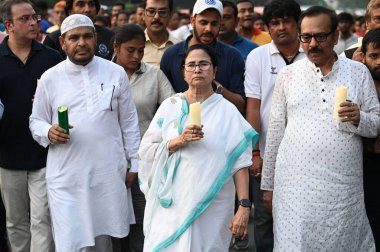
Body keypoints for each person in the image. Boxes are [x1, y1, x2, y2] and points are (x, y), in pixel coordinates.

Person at [261, 6, 379, 250]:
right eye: (306, 37)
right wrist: (268, 186)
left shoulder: (358, 72)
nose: (312, 44)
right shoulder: (288, 75)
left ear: (336, 36)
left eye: (320, 37)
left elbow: (376, 122)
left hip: (342, 191)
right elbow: (275, 132)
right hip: (294, 189)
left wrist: (359, 118)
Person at [29, 14, 140, 252]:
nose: (81, 43)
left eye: (87, 36)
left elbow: (129, 122)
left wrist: (135, 164)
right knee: (71, 240)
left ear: (96, 38)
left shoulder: (115, 73)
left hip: (107, 173)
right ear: (63, 43)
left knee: (102, 240)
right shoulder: (50, 78)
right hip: (67, 176)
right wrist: (49, 131)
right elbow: (35, 120)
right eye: (74, 37)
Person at [139, 43, 258, 252]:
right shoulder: (170, 106)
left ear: (214, 70)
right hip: (172, 203)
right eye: (191, 65)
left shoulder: (227, 111)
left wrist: (244, 206)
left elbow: (240, 163)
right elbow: (146, 151)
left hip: (213, 204)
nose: (197, 69)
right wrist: (177, 141)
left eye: (204, 64)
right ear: (183, 73)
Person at [0, 0, 62, 251]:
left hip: (45, 154)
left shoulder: (52, 57)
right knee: (15, 222)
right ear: (9, 25)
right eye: (24, 19)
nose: (33, 23)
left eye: (34, 17)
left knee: (42, 219)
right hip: (6, 155)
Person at [244, 1, 305, 251]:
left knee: (301, 215)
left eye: (287, 21)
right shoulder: (257, 56)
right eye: (275, 23)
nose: (281, 28)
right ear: (267, 27)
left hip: (305, 152)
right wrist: (255, 152)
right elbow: (253, 107)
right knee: (265, 217)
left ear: (297, 23)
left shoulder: (311, 53)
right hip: (268, 151)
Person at [112, 23, 175, 252]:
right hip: (109, 158)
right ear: (116, 47)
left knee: (143, 219)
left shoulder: (154, 75)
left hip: (144, 158)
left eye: (140, 50)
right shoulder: (102, 74)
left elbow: (173, 107)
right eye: (130, 50)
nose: (137, 56)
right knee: (111, 221)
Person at [161, 0, 246, 114]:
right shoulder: (171, 55)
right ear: (192, 21)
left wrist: (214, 86)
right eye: (203, 22)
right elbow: (164, 104)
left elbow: (241, 105)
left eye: (214, 23)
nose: (208, 29)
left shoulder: (233, 56)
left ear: (220, 23)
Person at [360, 29, 380, 250]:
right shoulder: (358, 86)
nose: (379, 61)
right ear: (362, 56)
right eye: (374, 56)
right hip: (365, 169)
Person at [44, 0, 114, 60]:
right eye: (80, 4)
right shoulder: (53, 39)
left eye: (91, 4)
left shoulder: (109, 36)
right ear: (70, 11)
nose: (87, 9)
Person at [142, 0, 179, 67]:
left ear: (170, 15)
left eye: (163, 12)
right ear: (143, 15)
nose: (156, 17)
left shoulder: (180, 47)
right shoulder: (133, 47)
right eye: (151, 11)